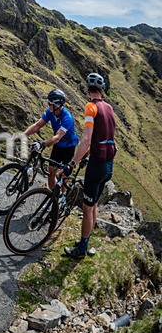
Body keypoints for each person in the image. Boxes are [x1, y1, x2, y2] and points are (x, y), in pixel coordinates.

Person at [63, 73, 117, 259]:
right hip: (109, 164)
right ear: (102, 90)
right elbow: (104, 137)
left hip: (96, 165)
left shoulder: (90, 107)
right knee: (93, 204)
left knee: (87, 209)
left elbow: (86, 139)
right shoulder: (109, 108)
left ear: (88, 90)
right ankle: (86, 240)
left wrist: (72, 163)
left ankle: (81, 250)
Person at [22, 89, 79, 190]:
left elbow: (57, 137)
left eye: (50, 103)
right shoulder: (50, 112)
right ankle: (53, 200)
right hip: (58, 147)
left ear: (57, 104)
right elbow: (37, 125)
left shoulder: (67, 118)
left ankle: (63, 198)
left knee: (63, 178)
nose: (48, 104)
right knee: (50, 173)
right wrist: (23, 134)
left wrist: (41, 143)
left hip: (69, 147)